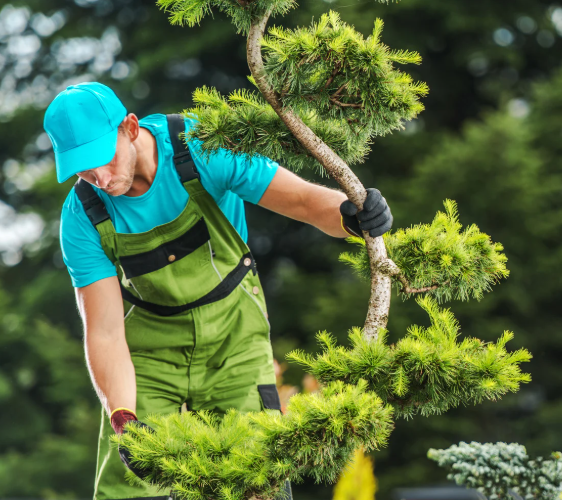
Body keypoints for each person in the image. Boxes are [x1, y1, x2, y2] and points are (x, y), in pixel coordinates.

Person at [44, 82, 393, 500]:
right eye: (83, 170)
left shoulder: (201, 146)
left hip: (234, 344)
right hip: (150, 361)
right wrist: (124, 417)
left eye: (102, 159)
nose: (98, 178)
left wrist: (351, 215)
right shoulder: (83, 215)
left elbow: (301, 201)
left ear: (131, 128)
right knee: (130, 488)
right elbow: (103, 331)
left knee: (257, 477)